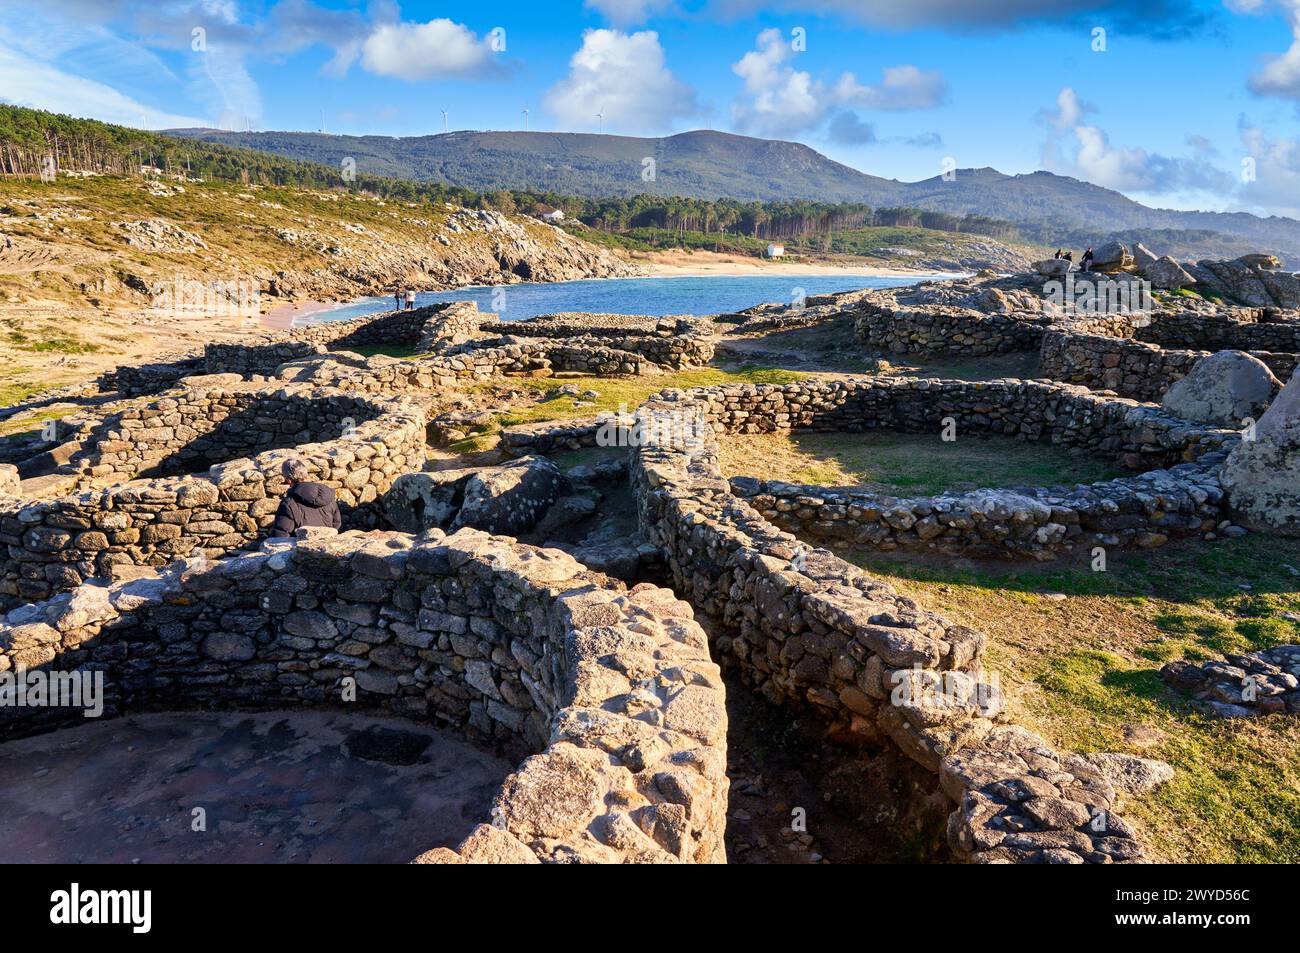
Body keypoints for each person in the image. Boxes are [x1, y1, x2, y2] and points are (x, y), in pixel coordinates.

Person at [271, 458, 341, 536]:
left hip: (300, 547)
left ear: (288, 480)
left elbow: (281, 534)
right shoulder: (329, 498)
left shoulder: (288, 504)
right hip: (327, 545)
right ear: (305, 474)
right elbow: (336, 525)